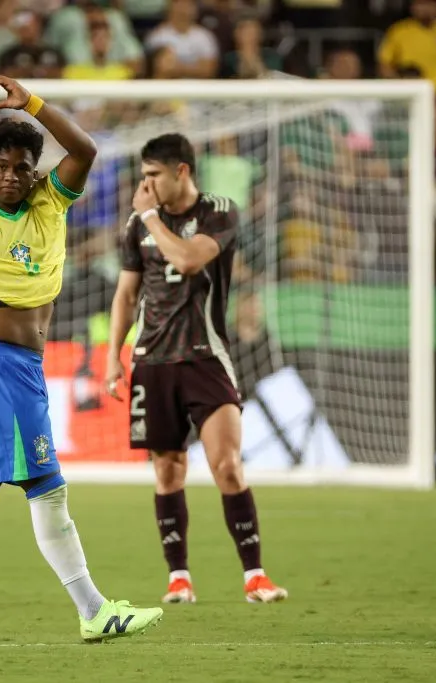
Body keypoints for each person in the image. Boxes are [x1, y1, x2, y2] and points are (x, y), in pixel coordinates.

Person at [0, 76, 164, 645]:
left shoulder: (49, 202)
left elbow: (85, 150)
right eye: (0, 166)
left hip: (18, 371)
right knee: (48, 489)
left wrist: (32, 104)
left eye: (21, 166)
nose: (11, 176)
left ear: (34, 171)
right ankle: (93, 610)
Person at [105, 133, 288, 605]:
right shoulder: (135, 226)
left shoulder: (217, 210)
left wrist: (148, 217)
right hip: (153, 361)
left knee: (227, 465)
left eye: (153, 176)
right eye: (142, 176)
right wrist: (113, 358)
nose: (144, 186)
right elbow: (126, 295)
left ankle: (255, 576)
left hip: (206, 358)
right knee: (169, 473)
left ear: (181, 171)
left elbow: (188, 260)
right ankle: (179, 578)